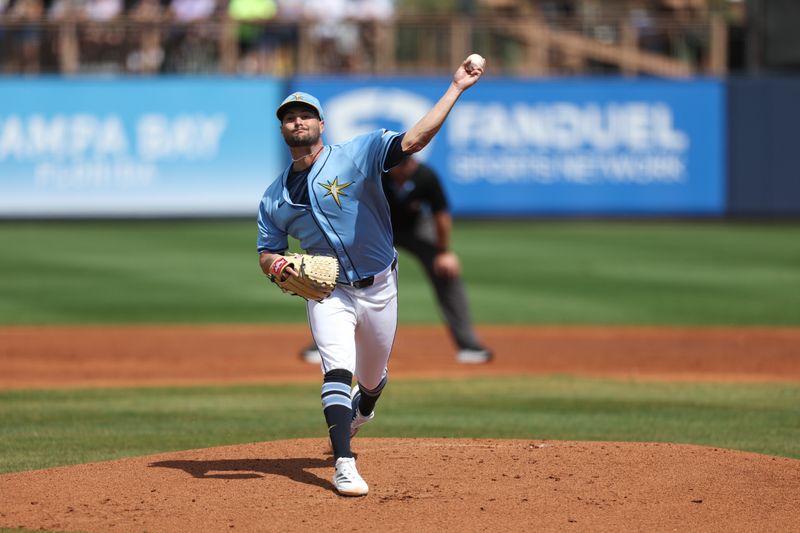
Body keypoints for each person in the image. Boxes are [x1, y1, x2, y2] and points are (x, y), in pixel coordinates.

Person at [257, 56, 484, 496]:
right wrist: (279, 266)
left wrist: (455, 88)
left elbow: (415, 139)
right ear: (282, 129)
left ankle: (366, 407)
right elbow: (268, 251)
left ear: (322, 124)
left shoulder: (358, 153)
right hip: (328, 292)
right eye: (289, 117)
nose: (297, 121)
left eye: (305, 114)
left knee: (373, 378)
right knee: (336, 369)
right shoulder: (274, 196)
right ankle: (344, 461)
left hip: (380, 286)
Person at [301, 157, 492, 364]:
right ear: (389, 165)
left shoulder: (425, 176)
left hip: (415, 228)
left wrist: (444, 252)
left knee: (446, 271)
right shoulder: (374, 178)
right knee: (345, 275)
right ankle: (325, 344)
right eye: (401, 163)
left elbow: (441, 215)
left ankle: (469, 344)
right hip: (376, 228)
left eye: (410, 161)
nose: (407, 166)